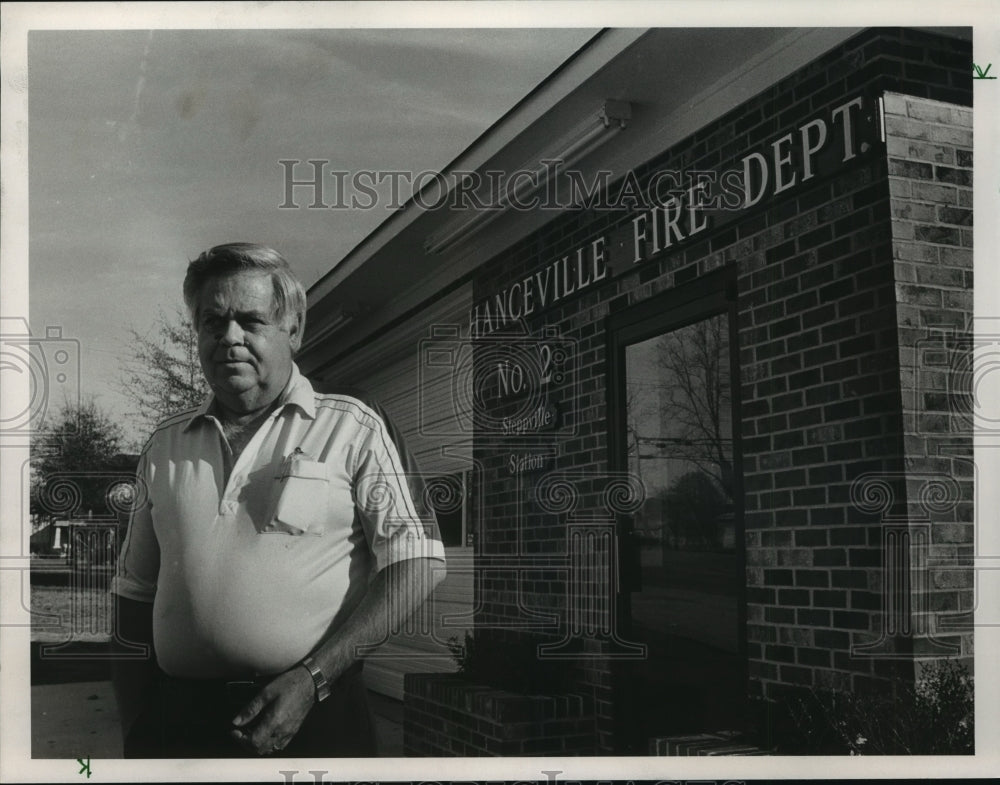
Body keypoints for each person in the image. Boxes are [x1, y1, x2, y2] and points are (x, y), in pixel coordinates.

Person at [110, 242, 446, 757]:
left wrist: (314, 679)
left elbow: (417, 563)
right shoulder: (165, 444)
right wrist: (135, 720)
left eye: (251, 320)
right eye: (212, 321)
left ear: (293, 329)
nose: (229, 338)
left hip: (315, 716)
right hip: (180, 725)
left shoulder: (352, 426)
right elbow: (134, 592)